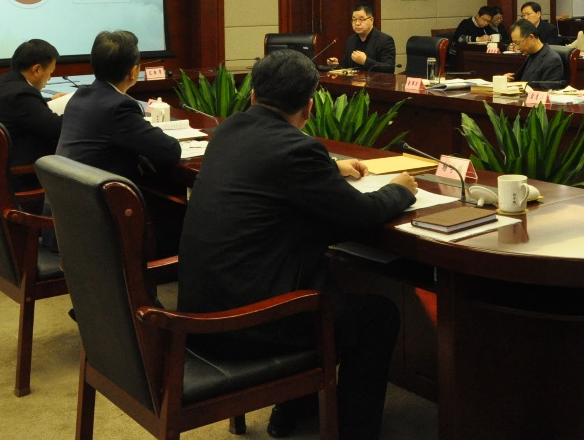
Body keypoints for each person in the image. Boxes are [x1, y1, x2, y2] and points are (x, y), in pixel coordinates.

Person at [178, 50, 417, 440]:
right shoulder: (297, 150)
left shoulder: (228, 130)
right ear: (309, 107)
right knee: (377, 316)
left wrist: (328, 168)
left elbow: (269, 168)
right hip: (247, 323)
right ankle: (351, 431)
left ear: (253, 96)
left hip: (199, 310)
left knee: (317, 280)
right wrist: (399, 190)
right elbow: (360, 214)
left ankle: (292, 412)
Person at [54, 30, 181, 183]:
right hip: (98, 196)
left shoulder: (80, 96)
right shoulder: (119, 107)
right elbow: (170, 150)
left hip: (68, 193)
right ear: (133, 72)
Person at [0, 38, 64, 172]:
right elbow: (56, 128)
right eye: (50, 72)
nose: (50, 78)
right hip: (17, 172)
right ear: (37, 70)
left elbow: (20, 108)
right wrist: (77, 110)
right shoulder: (22, 94)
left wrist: (50, 99)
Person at [327, 3, 396, 73]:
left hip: (374, 80)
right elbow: (346, 68)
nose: (357, 23)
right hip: (353, 80)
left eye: (361, 19)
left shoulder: (384, 40)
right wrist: (336, 65)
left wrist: (365, 61)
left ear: (371, 20)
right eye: (354, 19)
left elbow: (389, 69)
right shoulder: (351, 40)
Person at [504, 19, 566, 89]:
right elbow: (522, 80)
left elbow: (547, 90)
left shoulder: (552, 60)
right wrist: (507, 80)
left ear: (531, 37)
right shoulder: (530, 55)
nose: (517, 47)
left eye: (518, 43)